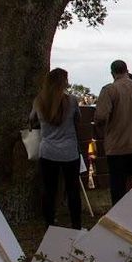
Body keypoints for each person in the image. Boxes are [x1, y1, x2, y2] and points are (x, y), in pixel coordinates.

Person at [29, 68, 82, 229]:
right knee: (72, 189)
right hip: (69, 151)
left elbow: (32, 120)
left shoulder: (39, 101)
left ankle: (49, 223)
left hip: (48, 150)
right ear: (63, 82)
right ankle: (76, 223)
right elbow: (77, 119)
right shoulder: (71, 100)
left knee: (49, 189)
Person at [94, 60, 132, 205]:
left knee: (118, 187)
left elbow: (101, 117)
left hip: (117, 147)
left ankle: (121, 220)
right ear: (127, 70)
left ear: (112, 73)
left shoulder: (109, 90)